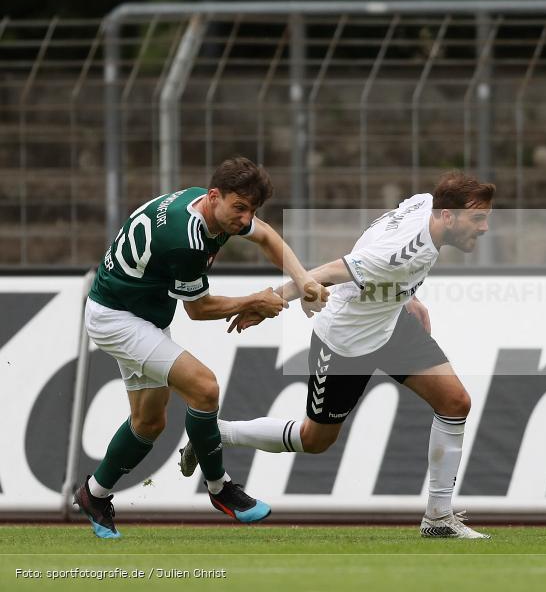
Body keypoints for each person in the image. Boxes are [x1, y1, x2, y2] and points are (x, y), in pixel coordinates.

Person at [179, 171, 494, 538]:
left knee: (455, 402)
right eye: (478, 218)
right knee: (315, 440)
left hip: (390, 322)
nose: (485, 228)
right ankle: (215, 434)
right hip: (345, 341)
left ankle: (438, 519)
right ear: (448, 217)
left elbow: (380, 235)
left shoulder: (425, 202)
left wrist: (409, 296)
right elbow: (328, 272)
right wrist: (266, 302)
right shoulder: (397, 255)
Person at [73, 156, 329, 539]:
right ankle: (220, 488)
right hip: (116, 316)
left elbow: (267, 237)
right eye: (239, 208)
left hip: (139, 313)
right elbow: (198, 309)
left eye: (251, 210)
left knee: (149, 422)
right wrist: (253, 301)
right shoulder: (186, 239)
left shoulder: (211, 209)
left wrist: (302, 279)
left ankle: (94, 494)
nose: (244, 220)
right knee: (204, 387)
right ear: (214, 196)